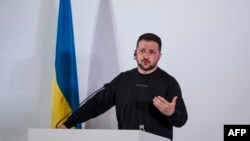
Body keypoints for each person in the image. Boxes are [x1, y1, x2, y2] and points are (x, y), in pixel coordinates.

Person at [57, 33, 188, 140]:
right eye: (142, 51)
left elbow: (182, 120)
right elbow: (96, 105)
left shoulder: (169, 82)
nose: (146, 56)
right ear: (135, 53)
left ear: (159, 56)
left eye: (152, 52)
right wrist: (68, 123)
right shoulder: (123, 80)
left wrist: (171, 113)